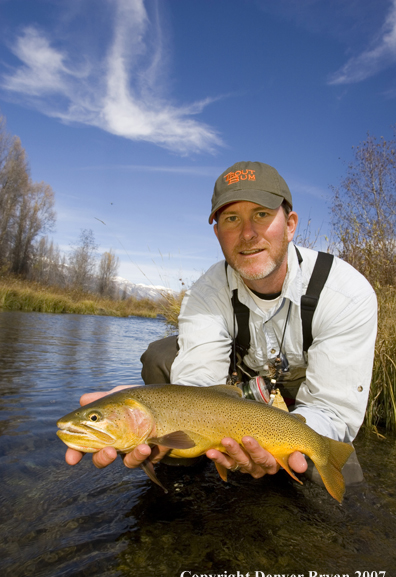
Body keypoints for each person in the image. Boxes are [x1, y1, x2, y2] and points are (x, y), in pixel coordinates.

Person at [65, 161, 377, 485]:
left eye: (261, 214)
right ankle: (183, 467)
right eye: (231, 219)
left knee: (332, 469)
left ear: (290, 224)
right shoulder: (207, 291)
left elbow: (333, 410)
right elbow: (197, 382)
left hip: (305, 398)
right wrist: (148, 414)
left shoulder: (345, 293)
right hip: (236, 395)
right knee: (160, 357)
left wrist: (287, 442)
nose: (247, 233)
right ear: (217, 233)